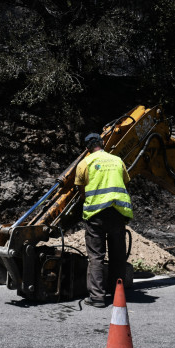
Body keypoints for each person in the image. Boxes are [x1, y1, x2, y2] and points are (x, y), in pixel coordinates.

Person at [75, 131, 133, 308]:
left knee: (96, 257)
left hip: (95, 215)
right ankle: (117, 294)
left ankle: (97, 297)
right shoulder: (117, 160)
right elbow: (125, 181)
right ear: (102, 143)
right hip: (117, 212)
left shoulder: (84, 163)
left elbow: (80, 190)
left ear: (87, 148)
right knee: (117, 256)